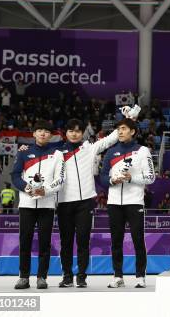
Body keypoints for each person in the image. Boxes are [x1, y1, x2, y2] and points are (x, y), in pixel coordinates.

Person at [56, 117, 120, 288]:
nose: (74, 134)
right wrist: (26, 148)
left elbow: (110, 139)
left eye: (78, 131)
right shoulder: (57, 153)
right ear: (66, 133)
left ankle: (82, 276)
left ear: (82, 132)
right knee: (66, 242)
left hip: (85, 202)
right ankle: (67, 276)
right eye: (71, 131)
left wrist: (127, 120)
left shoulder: (90, 149)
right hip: (64, 202)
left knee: (83, 241)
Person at [99, 118, 155, 288]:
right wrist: (112, 181)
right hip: (114, 203)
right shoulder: (110, 152)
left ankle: (140, 276)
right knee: (116, 240)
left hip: (135, 202)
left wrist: (132, 179)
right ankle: (118, 276)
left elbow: (151, 177)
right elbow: (102, 177)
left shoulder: (143, 151)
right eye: (118, 129)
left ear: (132, 131)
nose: (120, 132)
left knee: (138, 239)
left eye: (123, 129)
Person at [10, 119, 65, 290]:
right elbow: (15, 175)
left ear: (51, 135)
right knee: (25, 241)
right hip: (26, 204)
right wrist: (26, 188)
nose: (42, 133)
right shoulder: (23, 152)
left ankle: (42, 277)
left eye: (46, 131)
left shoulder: (57, 154)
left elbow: (60, 180)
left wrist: (46, 190)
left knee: (44, 242)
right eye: (39, 130)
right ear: (33, 134)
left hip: (47, 205)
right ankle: (23, 277)